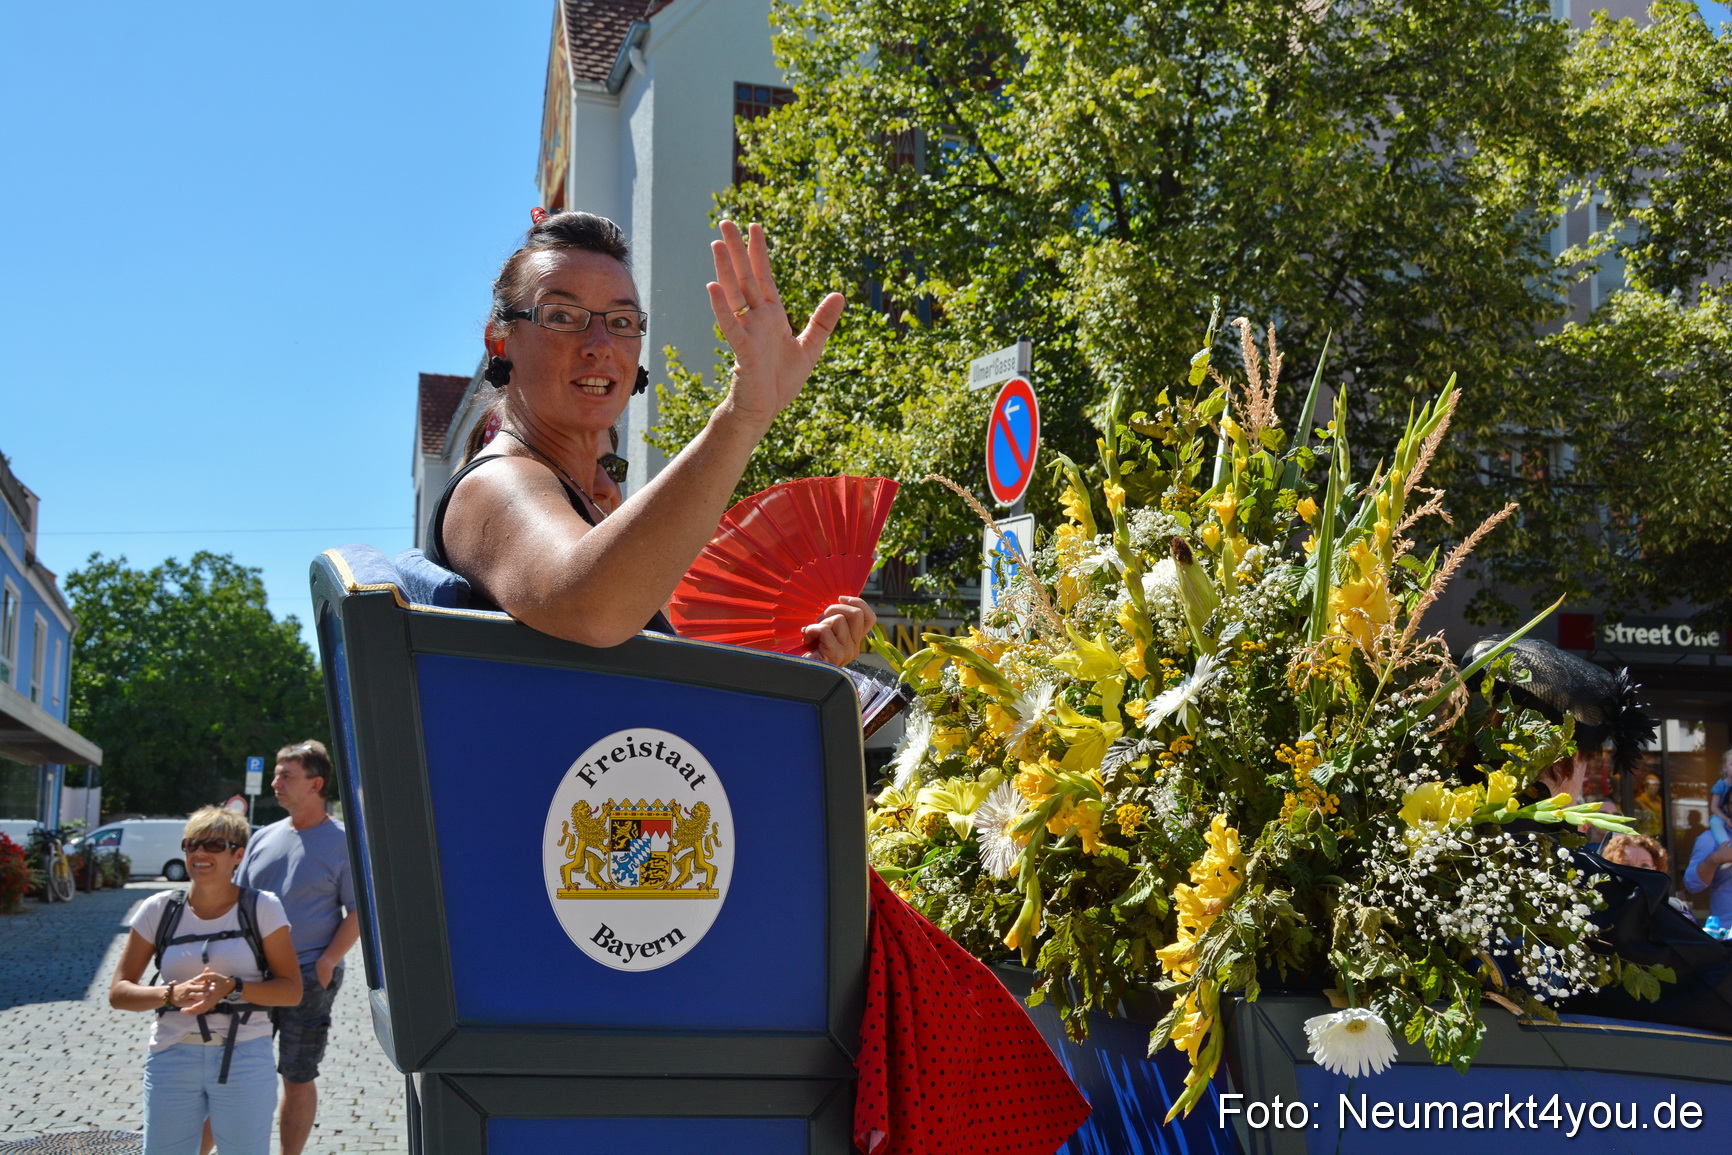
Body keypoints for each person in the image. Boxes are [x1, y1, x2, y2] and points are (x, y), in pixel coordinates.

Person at [424, 211, 874, 665]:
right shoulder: (493, 482)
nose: (600, 344)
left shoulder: (590, 512)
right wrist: (743, 416)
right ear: (500, 344)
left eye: (621, 322)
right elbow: (595, 609)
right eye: (562, 315)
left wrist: (810, 670)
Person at [109, 808, 302, 1155]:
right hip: (172, 1055)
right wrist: (171, 993)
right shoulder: (158, 909)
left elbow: (291, 990)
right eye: (191, 844)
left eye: (214, 845)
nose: (199, 853)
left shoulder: (262, 908)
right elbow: (119, 992)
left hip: (244, 1055)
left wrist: (234, 987)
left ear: (238, 855)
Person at [223, 740, 359, 1155]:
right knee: (235, 1071)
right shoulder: (263, 837)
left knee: (297, 1075)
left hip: (307, 977)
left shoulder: (344, 842)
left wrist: (328, 961)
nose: (275, 782)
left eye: (286, 775)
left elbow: (359, 912)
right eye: (276, 774)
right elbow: (236, 900)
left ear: (316, 784)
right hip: (252, 977)